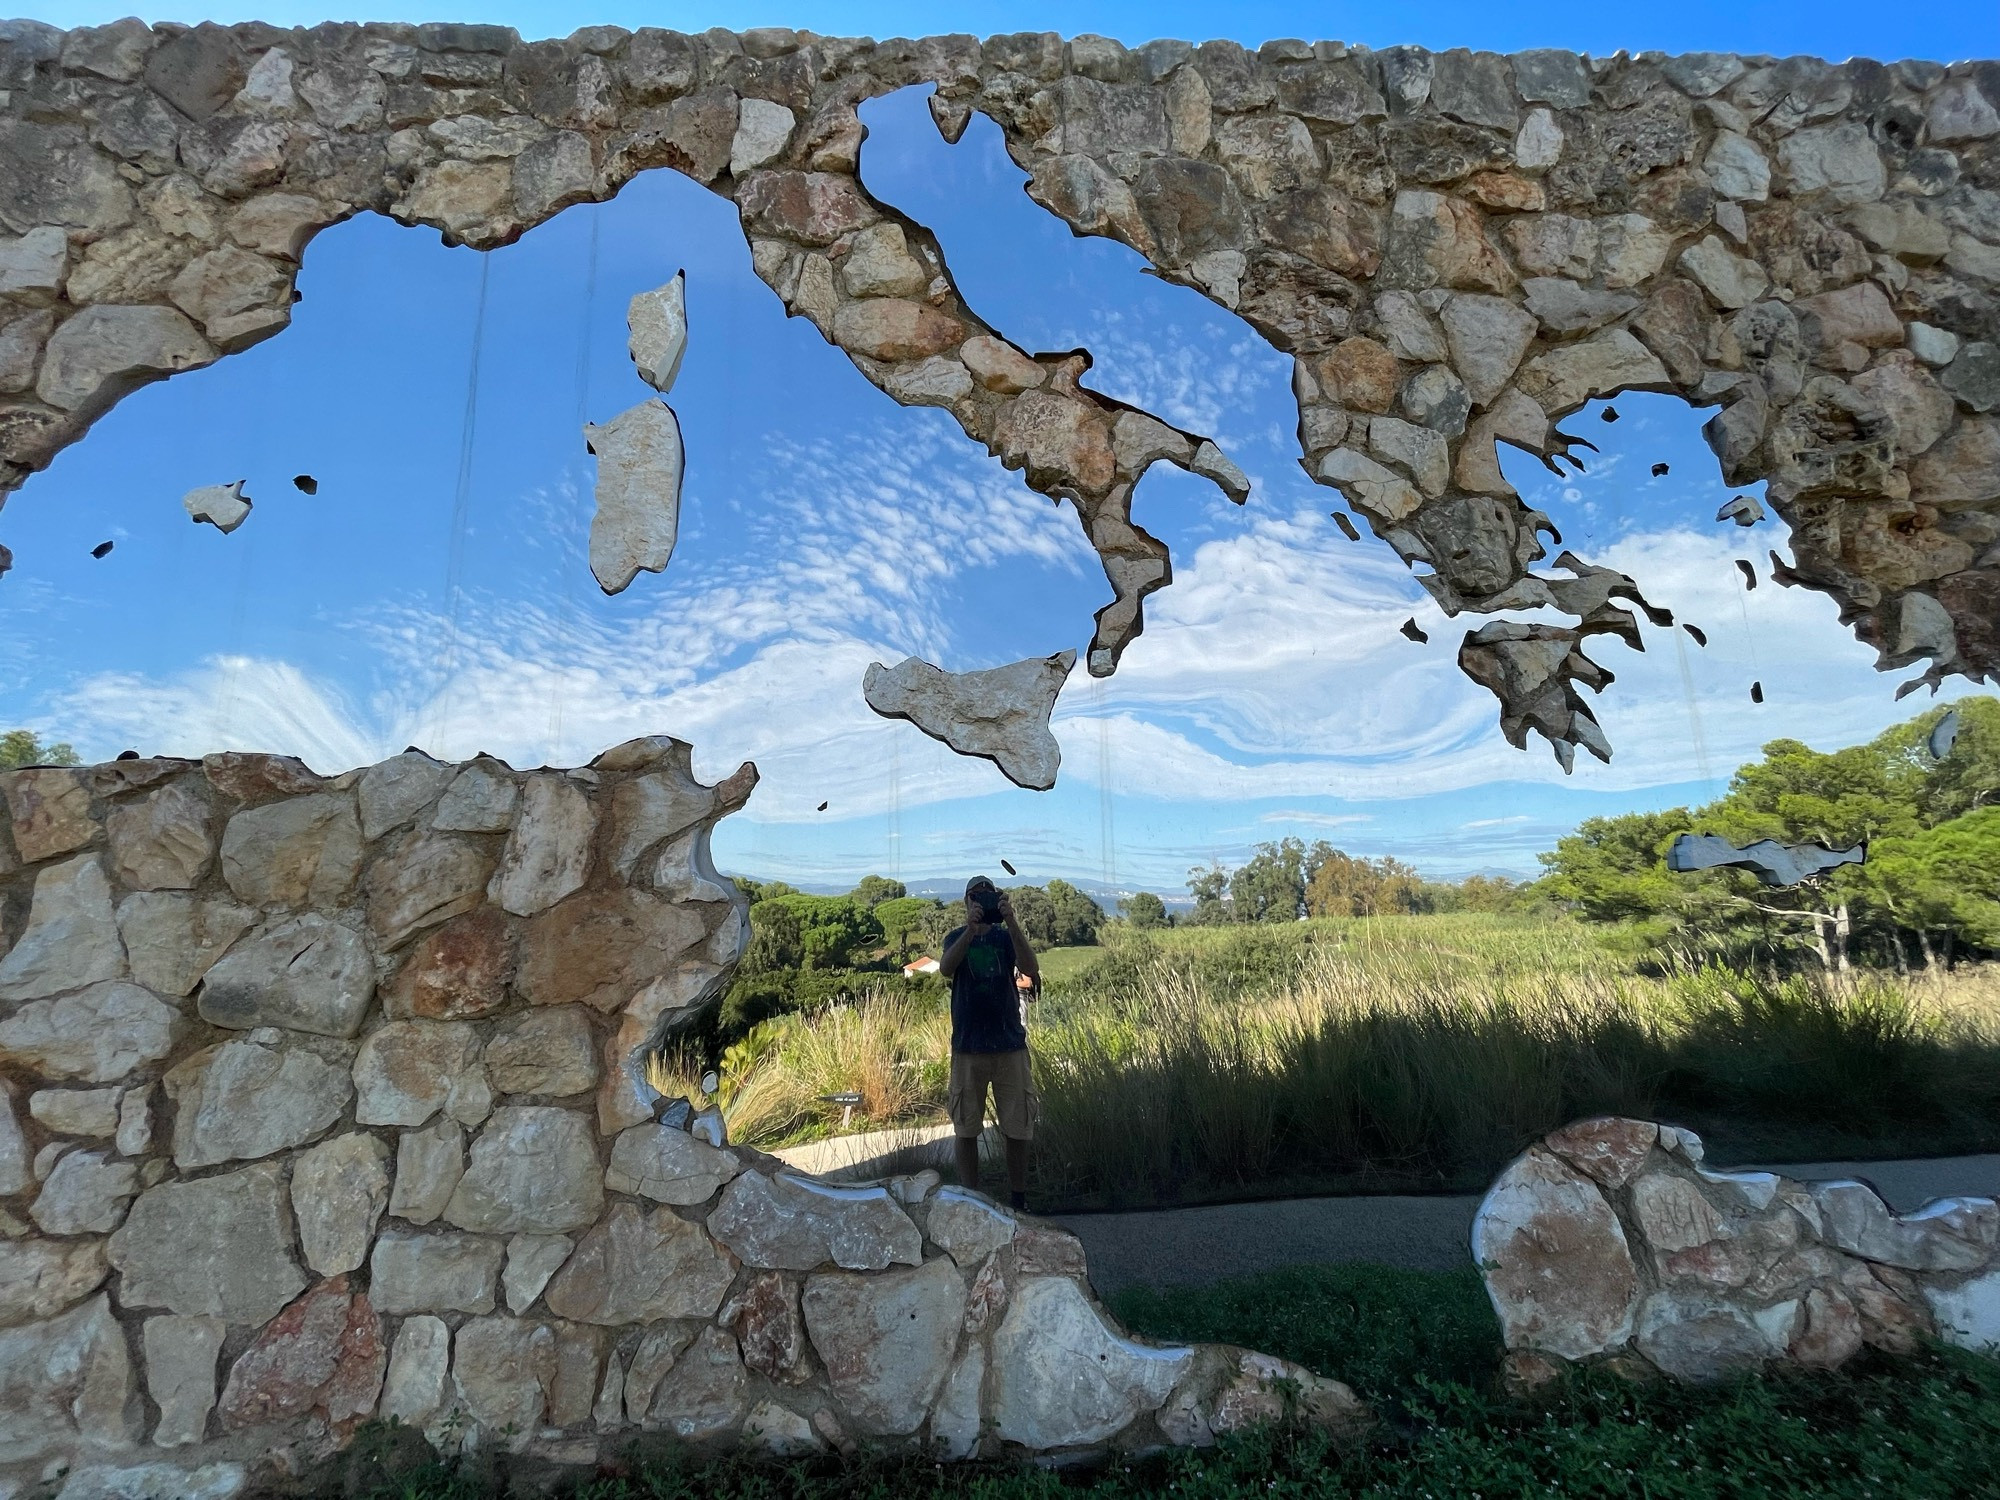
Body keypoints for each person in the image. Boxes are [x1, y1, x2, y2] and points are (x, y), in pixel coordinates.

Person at [938, 874, 1040, 1210]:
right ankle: (971, 1199)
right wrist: (970, 930)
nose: (981, 900)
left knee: (1018, 1127)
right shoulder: (955, 936)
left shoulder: (1005, 936)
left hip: (1009, 1044)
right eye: (975, 895)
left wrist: (1011, 921)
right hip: (968, 1046)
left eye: (988, 894)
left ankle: (1019, 1200)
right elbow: (946, 969)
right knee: (966, 1127)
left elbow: (1030, 966)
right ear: (966, 901)